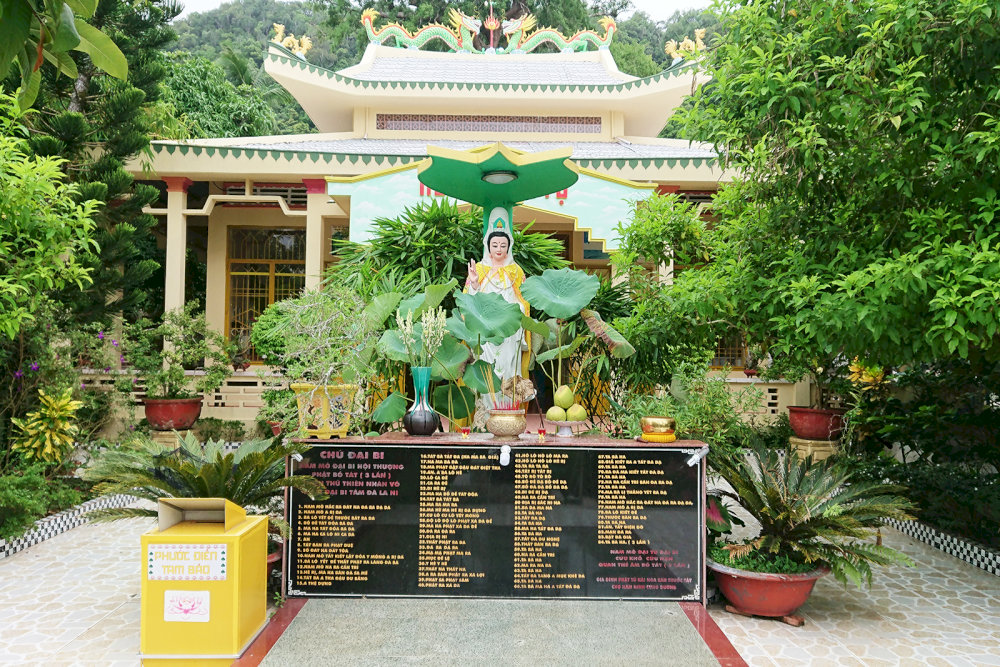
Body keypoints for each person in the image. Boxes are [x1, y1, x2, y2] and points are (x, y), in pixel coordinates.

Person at [464, 207, 529, 382]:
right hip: (485, 328)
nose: (499, 249)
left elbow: (524, 300)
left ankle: (509, 404)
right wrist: (475, 283)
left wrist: (517, 311)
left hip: (508, 330)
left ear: (509, 247)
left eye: (503, 245)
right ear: (488, 246)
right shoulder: (478, 269)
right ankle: (486, 407)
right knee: (486, 366)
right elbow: (469, 302)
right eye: (494, 245)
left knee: (508, 365)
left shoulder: (515, 270)